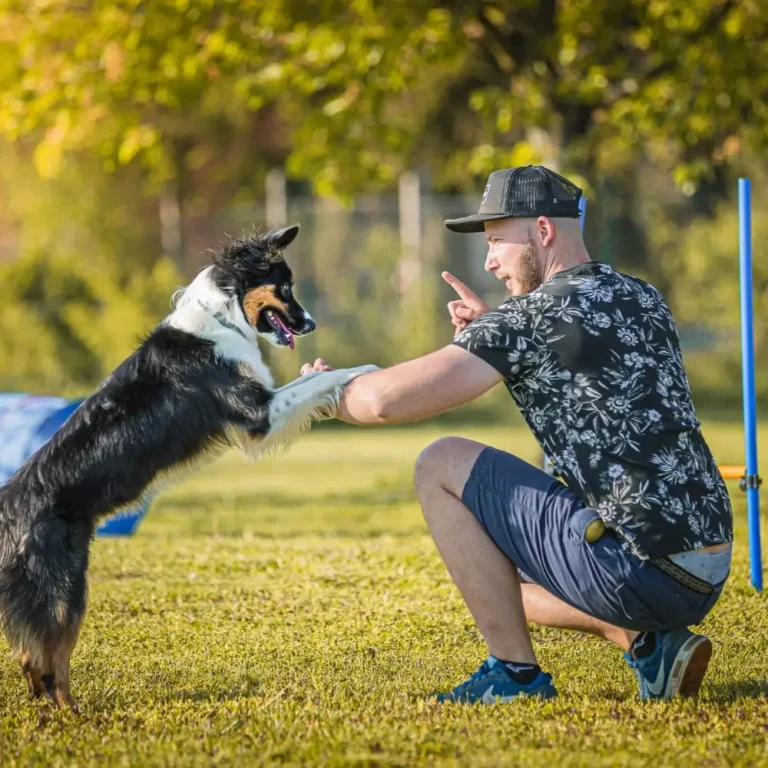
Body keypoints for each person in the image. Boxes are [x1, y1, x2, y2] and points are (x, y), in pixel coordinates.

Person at [299, 166, 733, 703]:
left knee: (440, 463)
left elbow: (384, 401)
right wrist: (493, 335)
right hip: (708, 565)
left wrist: (320, 392)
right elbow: (581, 367)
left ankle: (515, 677)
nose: (489, 260)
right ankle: (649, 645)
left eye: (497, 240)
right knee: (497, 581)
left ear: (543, 232)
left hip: (641, 571)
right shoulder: (642, 296)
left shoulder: (528, 320)